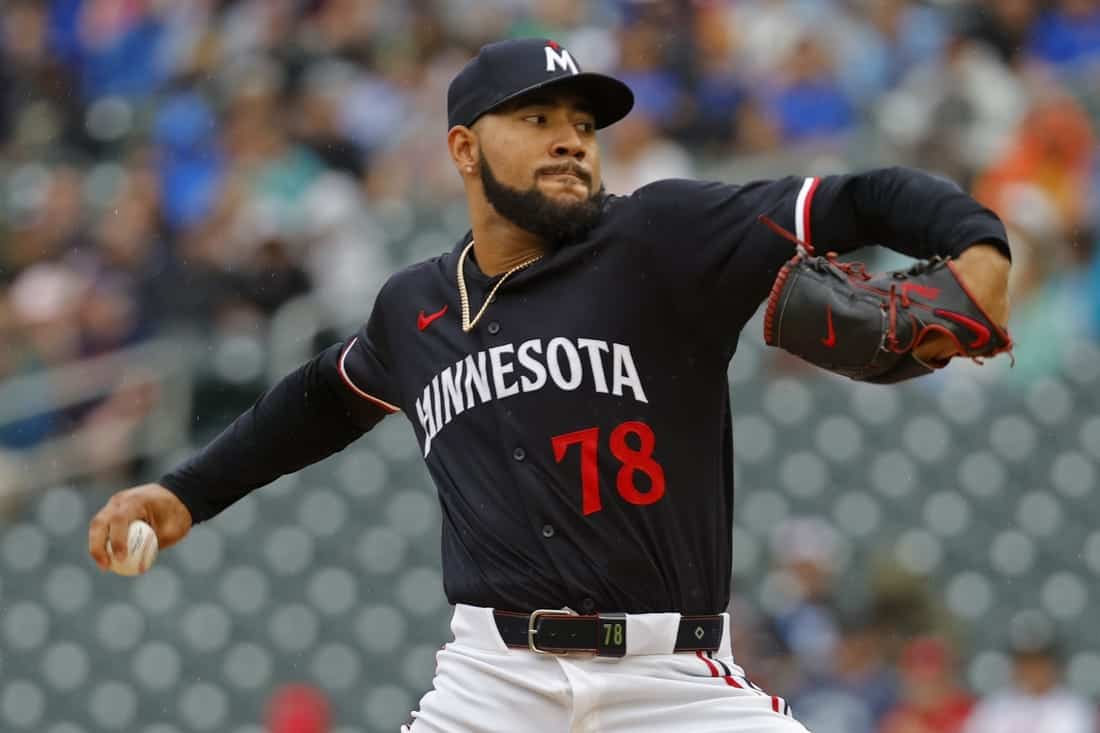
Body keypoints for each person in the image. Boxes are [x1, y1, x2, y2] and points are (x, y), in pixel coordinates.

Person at [88, 38, 1011, 732]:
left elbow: (855, 197)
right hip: (492, 684)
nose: (571, 142)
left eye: (582, 125)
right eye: (537, 121)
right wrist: (182, 493)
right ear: (462, 148)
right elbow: (321, 400)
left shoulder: (664, 237)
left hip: (672, 681)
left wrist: (976, 243)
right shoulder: (415, 308)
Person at [962, 613, 1095, 733]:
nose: (1032, 669)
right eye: (1025, 661)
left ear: (1054, 663)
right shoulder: (993, 707)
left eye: (1038, 661)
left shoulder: (1074, 709)